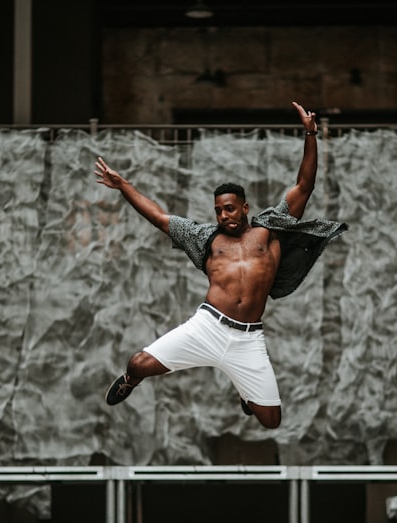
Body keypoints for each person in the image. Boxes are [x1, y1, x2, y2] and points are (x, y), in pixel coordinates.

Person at [94, 102, 346, 429]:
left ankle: (245, 387)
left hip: (247, 339)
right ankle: (132, 378)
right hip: (207, 327)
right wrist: (123, 185)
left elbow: (304, 186)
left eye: (229, 209)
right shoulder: (205, 238)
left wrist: (310, 133)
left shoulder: (270, 230)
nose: (223, 216)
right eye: (218, 211)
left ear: (244, 207)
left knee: (270, 420)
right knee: (138, 363)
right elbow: (158, 217)